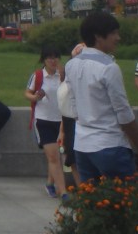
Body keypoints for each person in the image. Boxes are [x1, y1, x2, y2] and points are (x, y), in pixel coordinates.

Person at [64, 12, 138, 182]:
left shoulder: (71, 64)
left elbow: (72, 106)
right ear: (98, 37)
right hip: (110, 145)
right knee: (130, 202)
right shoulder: (109, 67)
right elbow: (124, 114)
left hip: (82, 147)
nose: (118, 38)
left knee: (94, 204)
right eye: (113, 33)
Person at [25, 44, 65, 198]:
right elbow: (27, 93)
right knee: (54, 157)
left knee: (55, 156)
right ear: (44, 59)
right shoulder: (38, 75)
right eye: (49, 57)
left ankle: (50, 183)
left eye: (55, 57)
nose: (53, 61)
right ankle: (63, 191)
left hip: (60, 120)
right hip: (43, 119)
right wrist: (35, 97)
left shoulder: (61, 75)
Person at [58, 42, 84, 186]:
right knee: (72, 157)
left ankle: (86, 189)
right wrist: (62, 131)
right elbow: (65, 103)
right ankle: (82, 188)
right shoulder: (67, 73)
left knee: (80, 156)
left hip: (83, 119)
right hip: (69, 120)